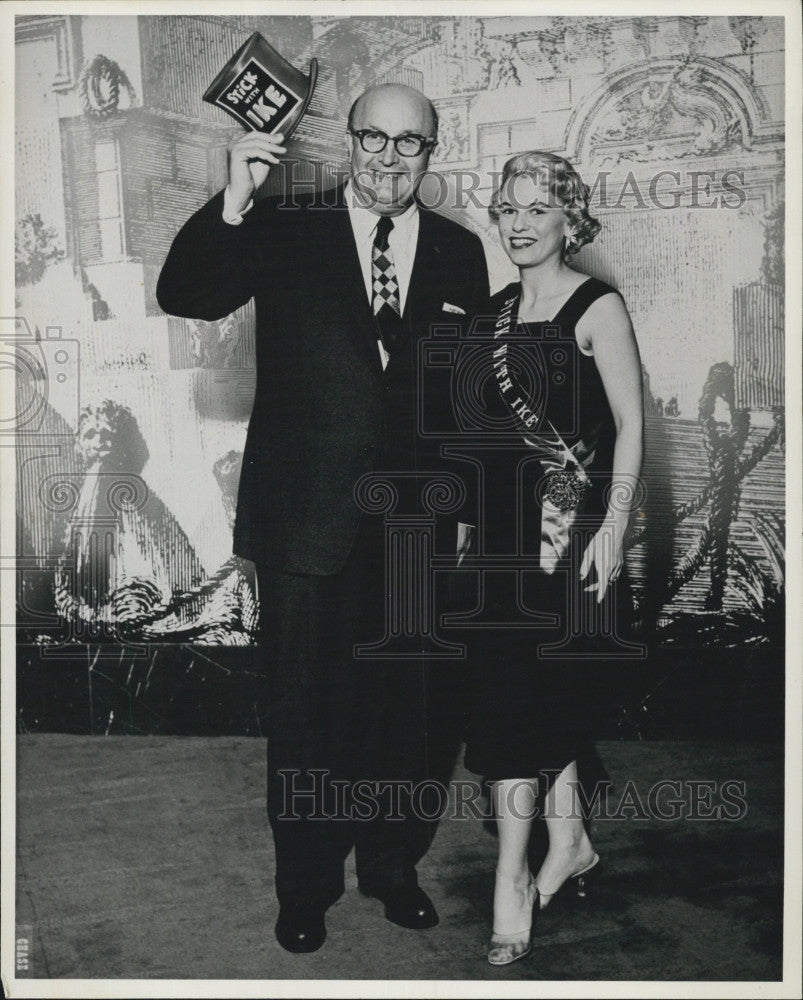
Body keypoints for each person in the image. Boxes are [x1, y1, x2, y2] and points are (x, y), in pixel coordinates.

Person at [156, 83, 489, 953]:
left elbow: (462, 396)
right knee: (306, 713)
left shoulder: (458, 251)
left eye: (408, 143)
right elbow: (187, 295)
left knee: (407, 718)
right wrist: (232, 198)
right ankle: (304, 889)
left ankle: (390, 868)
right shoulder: (284, 223)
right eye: (371, 138)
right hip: (304, 519)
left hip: (416, 526)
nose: (387, 157)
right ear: (347, 141)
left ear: (431, 150)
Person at [460, 151, 643, 966]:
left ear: (570, 220)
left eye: (539, 209)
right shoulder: (488, 314)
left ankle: (512, 875)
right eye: (508, 208)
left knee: (522, 701)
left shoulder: (597, 305)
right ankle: (565, 840)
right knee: (519, 696)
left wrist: (613, 528)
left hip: (569, 538)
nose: (521, 223)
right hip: (498, 538)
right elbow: (478, 438)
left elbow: (629, 429)